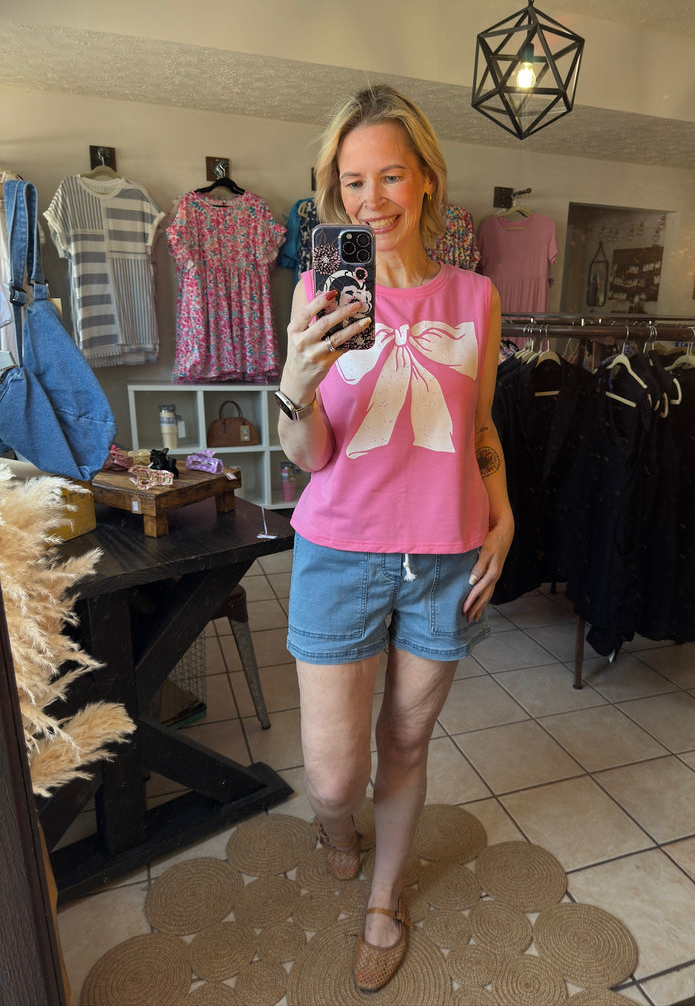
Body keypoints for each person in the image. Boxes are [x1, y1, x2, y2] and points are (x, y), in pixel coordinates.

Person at [276, 84, 514, 992]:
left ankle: (385, 899)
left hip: (445, 557)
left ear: (424, 181)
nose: (371, 199)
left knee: (407, 743)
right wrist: (296, 383)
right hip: (339, 552)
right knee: (334, 778)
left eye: (390, 176)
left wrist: (504, 511)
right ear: (334, 192)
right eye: (353, 181)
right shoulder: (315, 291)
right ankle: (338, 826)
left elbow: (481, 428)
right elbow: (310, 455)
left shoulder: (477, 297)